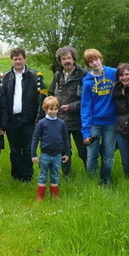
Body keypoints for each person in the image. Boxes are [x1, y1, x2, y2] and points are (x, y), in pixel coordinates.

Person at [2, 48, 46, 183]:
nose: (18, 61)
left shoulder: (36, 75)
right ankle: (16, 175)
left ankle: (27, 176)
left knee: (27, 149)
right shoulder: (6, 76)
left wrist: (38, 118)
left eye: (20, 58)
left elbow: (42, 98)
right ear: (12, 60)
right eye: (15, 59)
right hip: (12, 119)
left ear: (25, 59)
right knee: (15, 149)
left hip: (29, 119)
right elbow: (3, 99)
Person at [48, 46, 87, 176]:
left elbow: (88, 100)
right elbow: (50, 94)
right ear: (60, 61)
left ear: (74, 58)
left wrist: (71, 107)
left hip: (79, 120)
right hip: (60, 121)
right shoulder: (58, 75)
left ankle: (91, 174)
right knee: (64, 150)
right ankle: (66, 176)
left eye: (69, 58)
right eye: (63, 59)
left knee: (84, 151)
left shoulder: (83, 74)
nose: (67, 61)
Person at [80, 49, 117, 185]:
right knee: (92, 155)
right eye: (90, 61)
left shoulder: (113, 73)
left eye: (96, 59)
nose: (94, 63)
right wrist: (85, 131)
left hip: (111, 123)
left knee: (108, 155)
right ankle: (92, 182)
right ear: (88, 64)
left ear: (101, 59)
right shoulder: (87, 82)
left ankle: (105, 181)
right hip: (94, 123)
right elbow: (85, 107)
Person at [31, 96, 70, 201]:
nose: (53, 111)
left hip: (58, 155)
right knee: (43, 175)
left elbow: (66, 139)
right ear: (45, 109)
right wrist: (33, 154)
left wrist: (67, 153)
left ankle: (54, 196)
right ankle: (40, 197)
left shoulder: (61, 124)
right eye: (51, 109)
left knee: (55, 175)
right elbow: (35, 138)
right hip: (45, 155)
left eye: (55, 109)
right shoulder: (42, 123)